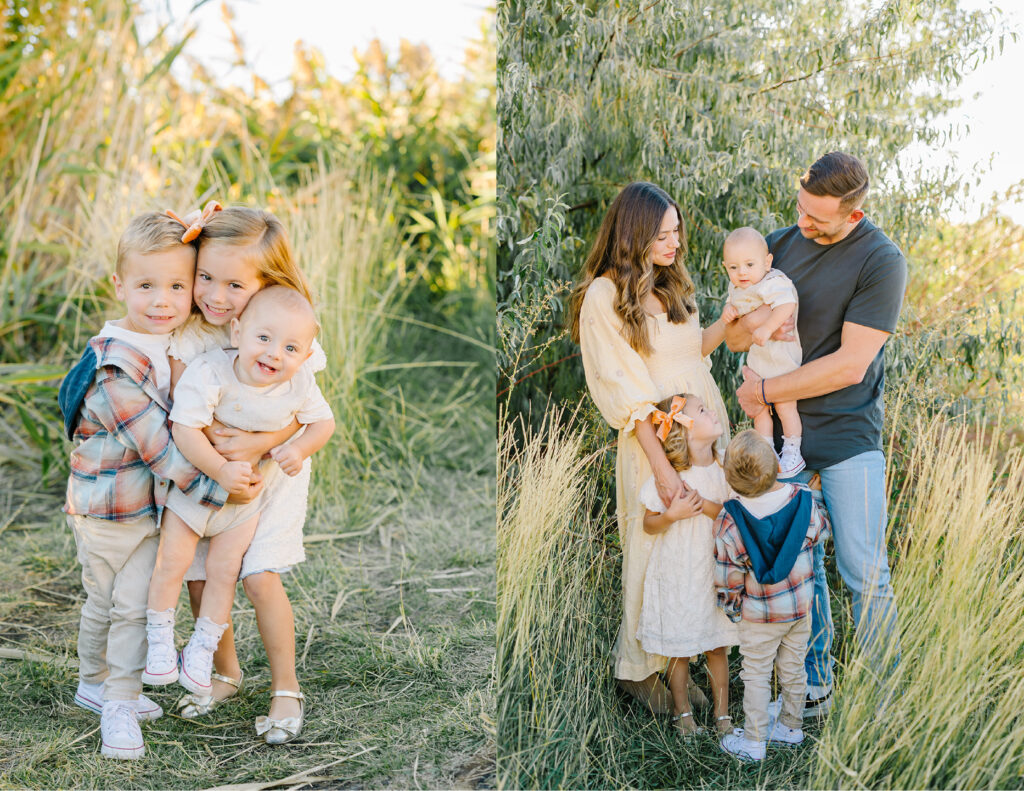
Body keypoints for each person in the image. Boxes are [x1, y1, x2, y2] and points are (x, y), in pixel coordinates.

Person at [727, 151, 908, 716]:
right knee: (799, 567)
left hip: (849, 434)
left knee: (863, 570)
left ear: (852, 216)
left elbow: (849, 365)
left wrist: (764, 393)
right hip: (785, 440)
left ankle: (889, 704)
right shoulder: (780, 242)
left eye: (817, 219)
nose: (802, 224)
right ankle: (813, 689)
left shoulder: (881, 261)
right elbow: (736, 337)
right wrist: (750, 334)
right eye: (801, 208)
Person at [59, 212, 229, 760]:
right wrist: (225, 487)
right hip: (114, 511)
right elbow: (162, 450)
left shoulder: (162, 343)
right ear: (119, 286)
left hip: (118, 506)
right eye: (147, 286)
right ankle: (118, 703)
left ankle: (94, 681)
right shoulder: (115, 368)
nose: (163, 299)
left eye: (178, 285)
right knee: (128, 608)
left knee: (105, 602)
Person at [165, 205, 330, 744]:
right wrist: (220, 456)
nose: (214, 294)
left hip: (275, 474)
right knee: (200, 574)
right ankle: (224, 673)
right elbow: (187, 417)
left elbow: (309, 413)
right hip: (212, 474)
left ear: (266, 283)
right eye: (204, 277)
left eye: (234, 283)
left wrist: (264, 443)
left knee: (258, 576)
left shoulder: (282, 331)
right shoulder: (187, 337)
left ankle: (287, 687)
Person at [569, 181, 732, 712]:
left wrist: (732, 323)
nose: (675, 243)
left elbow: (690, 359)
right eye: (663, 234)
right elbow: (629, 390)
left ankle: (692, 653)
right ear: (633, 233)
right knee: (655, 550)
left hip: (704, 432)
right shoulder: (604, 296)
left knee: (702, 551)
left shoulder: (670, 286)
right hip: (656, 443)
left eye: (677, 231)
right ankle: (642, 671)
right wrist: (663, 469)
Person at [713, 430, 829, 761]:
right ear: (778, 467)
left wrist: (733, 609)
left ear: (732, 481)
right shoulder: (802, 499)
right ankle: (791, 728)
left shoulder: (730, 520)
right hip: (799, 608)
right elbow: (821, 531)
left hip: (759, 615)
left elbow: (728, 575)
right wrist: (816, 497)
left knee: (757, 673)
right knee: (794, 668)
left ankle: (753, 742)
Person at [637, 394, 738, 735]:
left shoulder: (726, 467)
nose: (712, 410)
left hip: (713, 570)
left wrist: (703, 505)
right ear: (683, 430)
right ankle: (683, 715)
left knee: (716, 644)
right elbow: (648, 524)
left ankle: (723, 717)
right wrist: (672, 514)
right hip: (678, 570)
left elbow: (735, 514)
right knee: (677, 648)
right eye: (702, 410)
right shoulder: (671, 476)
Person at [720, 227, 804, 476]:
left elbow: (788, 304)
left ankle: (793, 451)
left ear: (767, 262)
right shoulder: (738, 286)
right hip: (759, 360)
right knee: (759, 410)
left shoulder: (773, 281)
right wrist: (729, 311)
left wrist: (768, 327)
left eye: (748, 264)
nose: (741, 272)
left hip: (781, 357)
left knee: (785, 405)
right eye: (733, 268)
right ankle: (766, 449)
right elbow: (734, 307)